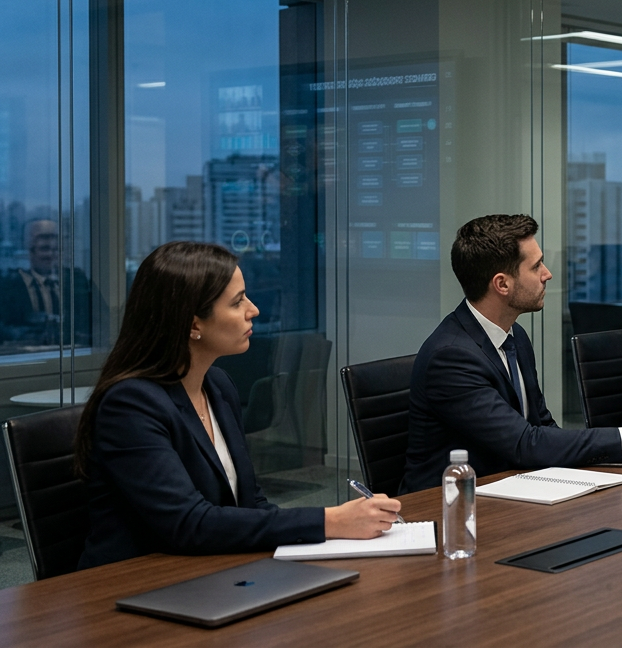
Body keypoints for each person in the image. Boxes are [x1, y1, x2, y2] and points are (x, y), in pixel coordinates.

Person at [76, 242, 400, 570]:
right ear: (193, 325)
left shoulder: (217, 386)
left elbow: (250, 504)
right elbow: (187, 524)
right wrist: (329, 521)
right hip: (132, 584)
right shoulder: (131, 404)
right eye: (237, 301)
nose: (253, 310)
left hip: (209, 572)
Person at [401, 215, 622, 491]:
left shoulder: (514, 336)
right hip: (451, 509)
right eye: (536, 266)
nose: (547, 274)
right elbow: (525, 443)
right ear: (502, 284)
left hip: (513, 488)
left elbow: (542, 426)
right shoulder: (451, 356)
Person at [0, 218, 92, 346]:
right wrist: (27, 335)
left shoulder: (76, 279)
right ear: (28, 249)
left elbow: (95, 320)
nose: (51, 254)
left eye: (56, 249)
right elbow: (3, 327)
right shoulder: (8, 285)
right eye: (44, 248)